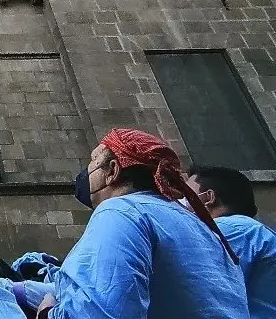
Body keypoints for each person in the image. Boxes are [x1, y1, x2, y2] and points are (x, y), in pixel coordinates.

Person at [37, 128, 249, 318]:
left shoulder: (121, 212)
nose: (86, 171)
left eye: (92, 160)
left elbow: (100, 313)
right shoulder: (201, 227)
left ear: (112, 171)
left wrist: (47, 311)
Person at [186, 165, 276, 318]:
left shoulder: (229, 229)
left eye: (186, 194)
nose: (178, 201)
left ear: (208, 198)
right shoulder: (248, 229)